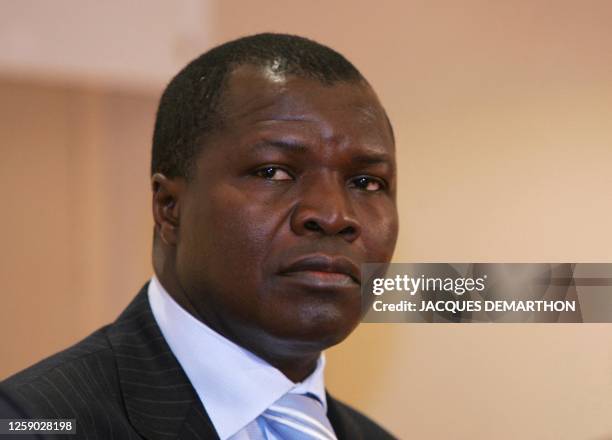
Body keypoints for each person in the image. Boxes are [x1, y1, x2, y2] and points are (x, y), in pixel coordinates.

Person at [0, 33, 399, 439]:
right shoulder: (31, 423)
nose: (334, 215)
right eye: (272, 172)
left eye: (366, 182)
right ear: (169, 208)